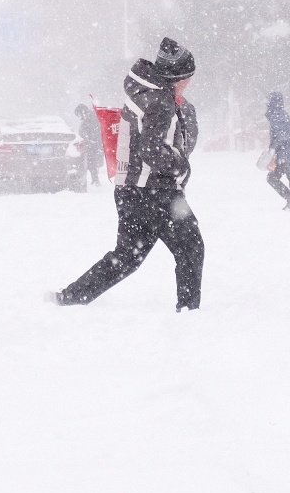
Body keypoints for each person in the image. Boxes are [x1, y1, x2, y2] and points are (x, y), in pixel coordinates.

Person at [49, 38, 203, 312]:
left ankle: (69, 298)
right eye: (187, 78)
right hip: (155, 191)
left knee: (127, 257)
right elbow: (152, 151)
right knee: (191, 246)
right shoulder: (160, 102)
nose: (188, 83)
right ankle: (189, 311)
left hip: (131, 190)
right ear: (177, 76)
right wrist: (180, 165)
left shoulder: (142, 94)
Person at [264, 92, 290, 211]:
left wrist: (273, 149)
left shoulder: (276, 115)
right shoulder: (285, 115)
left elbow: (281, 136)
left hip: (285, 155)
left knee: (272, 178)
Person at [73, 104, 104, 185]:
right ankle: (95, 180)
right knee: (91, 163)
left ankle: (95, 180)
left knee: (91, 163)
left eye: (79, 115)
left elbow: (94, 133)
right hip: (92, 145)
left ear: (82, 112)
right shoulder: (89, 118)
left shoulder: (91, 119)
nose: (79, 117)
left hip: (93, 145)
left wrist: (89, 142)